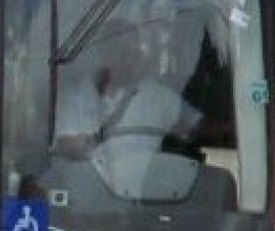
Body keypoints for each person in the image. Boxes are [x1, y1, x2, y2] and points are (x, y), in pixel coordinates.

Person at [53, 19, 201, 161]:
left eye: (134, 53)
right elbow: (67, 147)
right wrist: (94, 138)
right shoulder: (75, 99)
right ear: (103, 55)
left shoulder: (157, 96)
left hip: (150, 178)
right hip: (88, 178)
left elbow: (198, 127)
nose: (130, 59)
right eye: (121, 52)